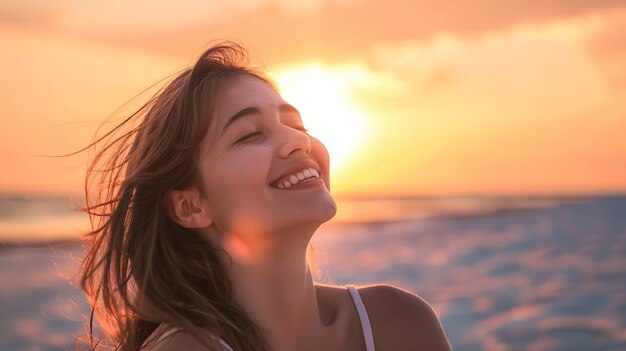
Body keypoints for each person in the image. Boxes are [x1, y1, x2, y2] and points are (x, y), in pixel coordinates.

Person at [76, 41, 451, 351]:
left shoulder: (400, 322)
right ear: (190, 205)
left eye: (295, 124)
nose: (298, 141)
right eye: (250, 134)